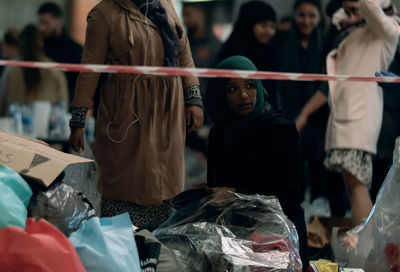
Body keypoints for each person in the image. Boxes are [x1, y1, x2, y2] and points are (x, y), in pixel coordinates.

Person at [69, 0, 204, 228]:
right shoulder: (104, 14)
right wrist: (78, 120)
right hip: (126, 111)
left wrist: (193, 98)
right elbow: (89, 69)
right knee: (125, 182)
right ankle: (126, 247)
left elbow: (185, 55)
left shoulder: (165, 5)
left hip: (167, 110)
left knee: (165, 181)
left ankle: (155, 246)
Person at [296, 0, 400, 227]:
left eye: (356, 9)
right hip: (343, 119)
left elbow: (369, 5)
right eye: (348, 10)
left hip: (359, 119)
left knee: (357, 189)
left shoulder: (386, 29)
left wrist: (362, 6)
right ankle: (360, 247)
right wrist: (304, 114)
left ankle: (363, 248)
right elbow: (330, 86)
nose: (350, 14)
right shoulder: (353, 33)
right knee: (352, 188)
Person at [205, 56, 309, 270]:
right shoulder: (219, 133)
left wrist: (236, 193)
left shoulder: (278, 129)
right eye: (232, 89)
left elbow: (291, 195)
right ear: (220, 94)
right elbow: (219, 186)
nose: (244, 95)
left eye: (250, 85)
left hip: (280, 238)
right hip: (236, 236)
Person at [217, 1, 279, 107]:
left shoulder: (270, 52)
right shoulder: (232, 53)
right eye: (263, 25)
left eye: (272, 26)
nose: (269, 31)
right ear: (249, 24)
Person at [0, 24, 68, 116]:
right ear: (41, 42)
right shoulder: (55, 70)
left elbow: (2, 104)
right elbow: (63, 106)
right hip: (46, 126)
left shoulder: (11, 69)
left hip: (14, 126)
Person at [38, 2, 83, 103]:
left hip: (65, 106)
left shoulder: (75, 50)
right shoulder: (40, 49)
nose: (42, 28)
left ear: (59, 21)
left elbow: (80, 86)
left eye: (46, 23)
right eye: (40, 23)